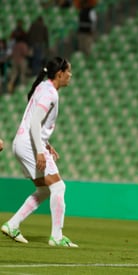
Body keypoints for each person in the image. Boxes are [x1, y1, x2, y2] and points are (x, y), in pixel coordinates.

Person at [1, 56, 78, 247]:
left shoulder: (43, 86)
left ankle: (12, 224)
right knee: (59, 187)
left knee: (45, 190)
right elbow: (35, 121)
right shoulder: (50, 93)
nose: (70, 75)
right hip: (29, 144)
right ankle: (57, 237)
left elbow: (36, 122)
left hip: (22, 142)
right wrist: (40, 151)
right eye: (68, 71)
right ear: (59, 74)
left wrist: (46, 143)